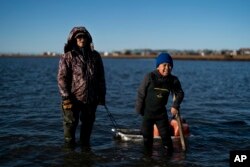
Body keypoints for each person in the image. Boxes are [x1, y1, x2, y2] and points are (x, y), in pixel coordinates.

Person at [57, 26, 106, 150]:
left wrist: (101, 95)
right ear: (74, 39)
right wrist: (66, 97)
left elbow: (101, 78)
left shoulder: (95, 56)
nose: (81, 39)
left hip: (90, 99)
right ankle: (69, 154)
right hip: (72, 99)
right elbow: (62, 78)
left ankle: (85, 152)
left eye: (84, 37)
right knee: (70, 126)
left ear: (88, 38)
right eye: (79, 37)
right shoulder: (67, 57)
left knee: (87, 127)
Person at [135, 52, 184, 154]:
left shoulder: (173, 80)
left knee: (166, 138)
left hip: (161, 114)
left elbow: (179, 93)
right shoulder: (150, 76)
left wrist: (175, 105)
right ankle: (147, 159)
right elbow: (141, 93)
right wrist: (139, 109)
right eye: (164, 65)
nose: (167, 68)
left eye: (170, 65)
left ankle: (168, 158)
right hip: (147, 113)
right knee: (147, 139)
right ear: (158, 66)